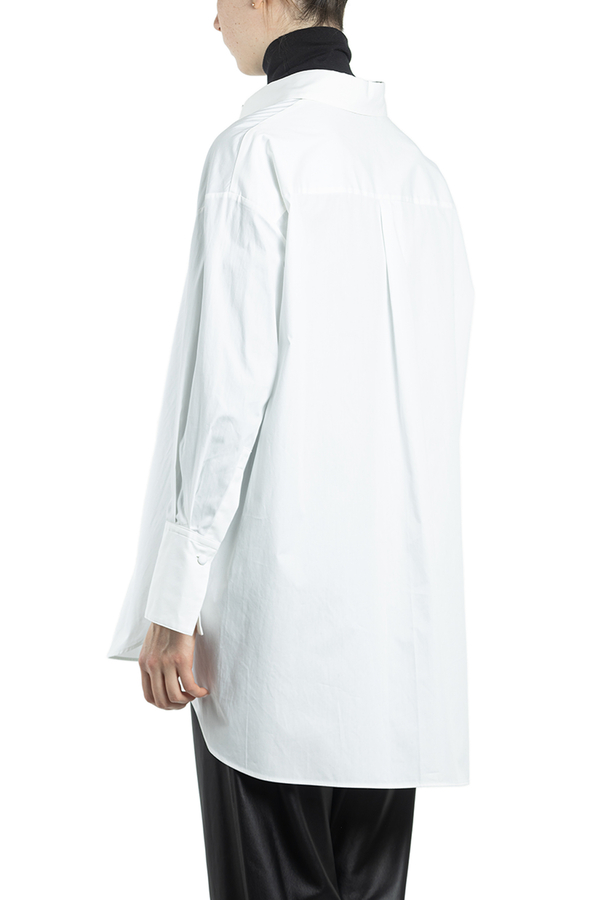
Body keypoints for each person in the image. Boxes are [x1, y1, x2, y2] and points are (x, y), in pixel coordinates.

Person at [107, 1, 475, 897]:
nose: (213, 19)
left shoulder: (256, 151)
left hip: (272, 626)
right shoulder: (419, 173)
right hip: (394, 643)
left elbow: (225, 395)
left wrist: (173, 600)